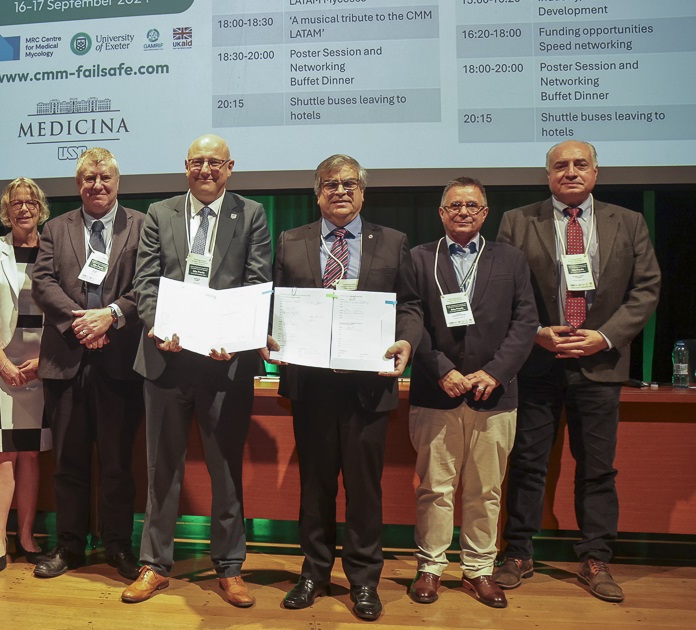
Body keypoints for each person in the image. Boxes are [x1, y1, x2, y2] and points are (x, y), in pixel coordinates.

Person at [493, 140, 661, 602]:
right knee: (527, 463)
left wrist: (604, 336)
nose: (570, 172)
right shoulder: (516, 221)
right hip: (537, 361)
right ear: (547, 174)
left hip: (601, 363)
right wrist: (536, 333)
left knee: (598, 469)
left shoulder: (628, 222)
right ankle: (519, 552)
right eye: (560, 165)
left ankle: (595, 557)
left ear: (595, 172)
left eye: (579, 164)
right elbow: (503, 289)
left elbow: (646, 288)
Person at [121, 134, 271, 609]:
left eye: (215, 162)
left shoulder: (251, 214)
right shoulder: (159, 212)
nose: (206, 169)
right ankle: (155, 565)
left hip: (225, 364)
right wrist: (157, 324)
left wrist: (238, 335)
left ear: (230, 168)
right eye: (197, 162)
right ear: (186, 166)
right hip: (166, 358)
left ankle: (229, 567)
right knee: (160, 467)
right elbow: (145, 280)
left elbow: (256, 281)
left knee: (225, 468)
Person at [271, 154, 422, 622]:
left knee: (363, 488)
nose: (341, 191)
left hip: (368, 386)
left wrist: (407, 341)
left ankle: (363, 580)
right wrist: (270, 334)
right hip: (311, 385)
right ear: (317, 193)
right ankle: (313, 573)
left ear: (363, 192)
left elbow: (411, 306)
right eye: (331, 184)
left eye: (350, 184)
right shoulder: (291, 241)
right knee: (314, 485)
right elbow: (275, 301)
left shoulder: (393, 242)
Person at [405, 177, 537, 608]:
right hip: (435, 392)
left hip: (495, 396)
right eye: (454, 205)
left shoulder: (511, 259)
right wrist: (441, 369)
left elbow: (524, 323)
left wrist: (495, 373)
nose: (463, 212)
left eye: (472, 206)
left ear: (485, 213)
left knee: (486, 489)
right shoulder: (419, 258)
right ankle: (430, 567)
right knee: (435, 488)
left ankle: (479, 569)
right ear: (441, 213)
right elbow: (411, 321)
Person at [31, 148, 145, 581]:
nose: (96, 185)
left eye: (104, 177)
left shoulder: (141, 225)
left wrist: (109, 317)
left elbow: (147, 284)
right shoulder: (55, 228)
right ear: (77, 183)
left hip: (119, 362)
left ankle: (118, 546)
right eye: (88, 178)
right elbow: (42, 282)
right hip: (66, 361)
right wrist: (81, 323)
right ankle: (69, 546)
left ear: (118, 181)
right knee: (68, 464)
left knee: (117, 464)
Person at [0, 177, 51, 572]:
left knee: (31, 452)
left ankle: (28, 535)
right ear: (6, 209)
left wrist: (44, 361)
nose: (23, 208)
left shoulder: (53, 249)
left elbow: (65, 310)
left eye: (30, 202)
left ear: (40, 208)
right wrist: (1, 361)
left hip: (41, 367)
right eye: (16, 202)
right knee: (3, 452)